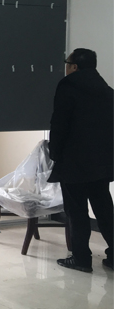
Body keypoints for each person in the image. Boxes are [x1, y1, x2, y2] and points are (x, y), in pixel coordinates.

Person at [48, 48, 113, 272]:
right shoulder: (107, 90)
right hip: (102, 163)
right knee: (104, 209)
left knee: (76, 211)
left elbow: (59, 123)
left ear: (74, 67)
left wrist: (54, 152)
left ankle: (81, 258)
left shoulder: (68, 86)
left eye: (67, 63)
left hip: (74, 161)